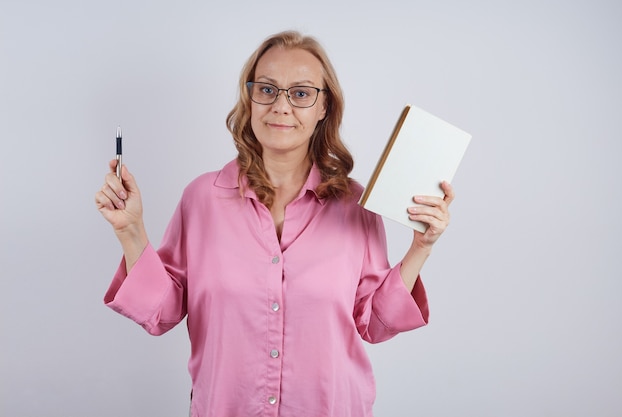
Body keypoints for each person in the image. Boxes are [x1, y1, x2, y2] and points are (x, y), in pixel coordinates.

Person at [95, 30, 454, 417]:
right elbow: (162, 313)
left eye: (300, 93)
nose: (281, 106)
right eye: (267, 89)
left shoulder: (354, 203)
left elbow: (374, 323)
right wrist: (130, 232)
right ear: (249, 99)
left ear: (324, 107)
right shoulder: (201, 198)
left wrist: (421, 247)